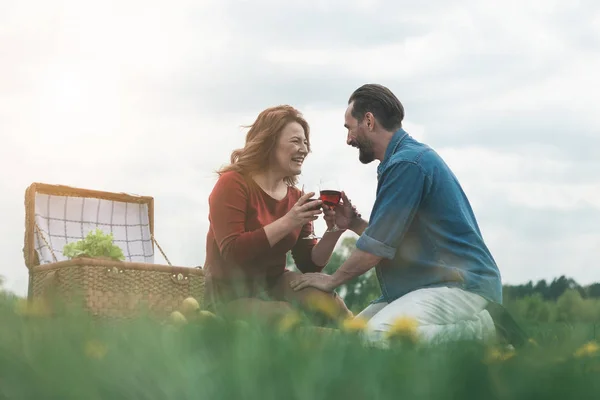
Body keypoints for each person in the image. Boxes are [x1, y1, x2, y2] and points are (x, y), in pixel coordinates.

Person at [289, 84, 504, 345]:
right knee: (353, 341)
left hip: (464, 285)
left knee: (379, 337)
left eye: (349, 128)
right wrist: (354, 223)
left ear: (368, 121)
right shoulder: (402, 161)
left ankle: (483, 331)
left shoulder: (407, 164)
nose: (348, 139)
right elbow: (390, 241)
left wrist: (332, 280)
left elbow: (374, 250)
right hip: (429, 283)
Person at [203, 105, 353, 324]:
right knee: (283, 316)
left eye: (305, 142)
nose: (304, 149)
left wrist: (334, 230)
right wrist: (289, 220)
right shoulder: (232, 184)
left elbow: (309, 264)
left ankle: (366, 342)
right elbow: (233, 251)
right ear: (269, 142)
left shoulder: (295, 197)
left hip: (274, 284)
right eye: (295, 141)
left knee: (327, 302)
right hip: (228, 293)